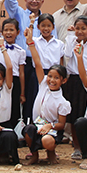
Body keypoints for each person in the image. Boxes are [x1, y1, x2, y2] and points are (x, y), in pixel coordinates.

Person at [4, 0, 46, 123]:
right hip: (19, 62)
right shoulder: (19, 14)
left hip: (38, 64)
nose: (34, 1)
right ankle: (15, 129)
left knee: (35, 95)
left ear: (42, 1)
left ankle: (31, 127)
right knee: (17, 96)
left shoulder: (46, 21)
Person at [24, 25, 69, 165]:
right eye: (50, 76)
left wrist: (50, 126)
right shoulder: (43, 83)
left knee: (47, 141)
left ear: (63, 80)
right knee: (27, 130)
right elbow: (37, 62)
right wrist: (30, 42)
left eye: (56, 78)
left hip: (52, 129)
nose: (52, 80)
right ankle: (34, 155)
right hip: (37, 125)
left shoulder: (63, 102)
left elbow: (62, 124)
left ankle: (51, 152)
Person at [63, 15, 87, 155]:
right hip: (74, 81)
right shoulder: (72, 44)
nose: (80, 32)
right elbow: (67, 54)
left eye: (83, 29)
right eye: (77, 28)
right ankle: (77, 146)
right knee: (74, 115)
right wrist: (69, 36)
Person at [0, 0, 26, 120]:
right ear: (2, 32)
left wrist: (22, 92)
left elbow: (21, 73)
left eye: (11, 30)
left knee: (13, 109)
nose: (8, 32)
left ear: (17, 32)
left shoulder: (20, 51)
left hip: (14, 82)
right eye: (5, 30)